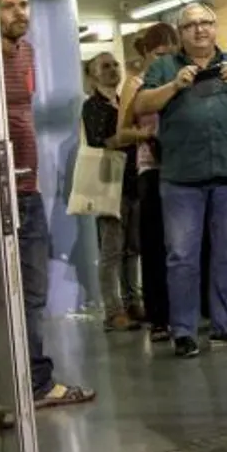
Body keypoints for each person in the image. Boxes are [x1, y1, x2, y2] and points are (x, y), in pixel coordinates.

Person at [0, 0, 96, 408]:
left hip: (27, 189)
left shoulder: (27, 53)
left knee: (33, 294)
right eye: (9, 6)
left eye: (24, 4)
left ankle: (35, 383)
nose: (21, 13)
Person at [133, 1, 227, 356]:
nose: (200, 30)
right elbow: (141, 106)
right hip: (182, 177)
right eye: (190, 26)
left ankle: (224, 323)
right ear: (181, 34)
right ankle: (183, 330)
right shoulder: (164, 66)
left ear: (215, 27)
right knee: (182, 255)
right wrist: (174, 86)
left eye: (206, 23)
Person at [122, 22, 180, 341]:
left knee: (184, 245)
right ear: (144, 53)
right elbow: (121, 132)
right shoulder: (136, 84)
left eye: (169, 53)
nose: (163, 60)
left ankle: (190, 308)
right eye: (158, 54)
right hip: (152, 168)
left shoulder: (178, 78)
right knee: (155, 244)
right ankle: (159, 314)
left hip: (182, 166)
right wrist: (148, 134)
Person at [83, 52, 149, 331]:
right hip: (110, 183)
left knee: (133, 248)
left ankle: (132, 300)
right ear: (94, 75)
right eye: (105, 67)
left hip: (134, 181)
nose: (112, 70)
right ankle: (113, 310)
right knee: (111, 249)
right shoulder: (93, 107)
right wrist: (131, 135)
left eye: (114, 65)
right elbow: (100, 142)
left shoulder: (126, 102)